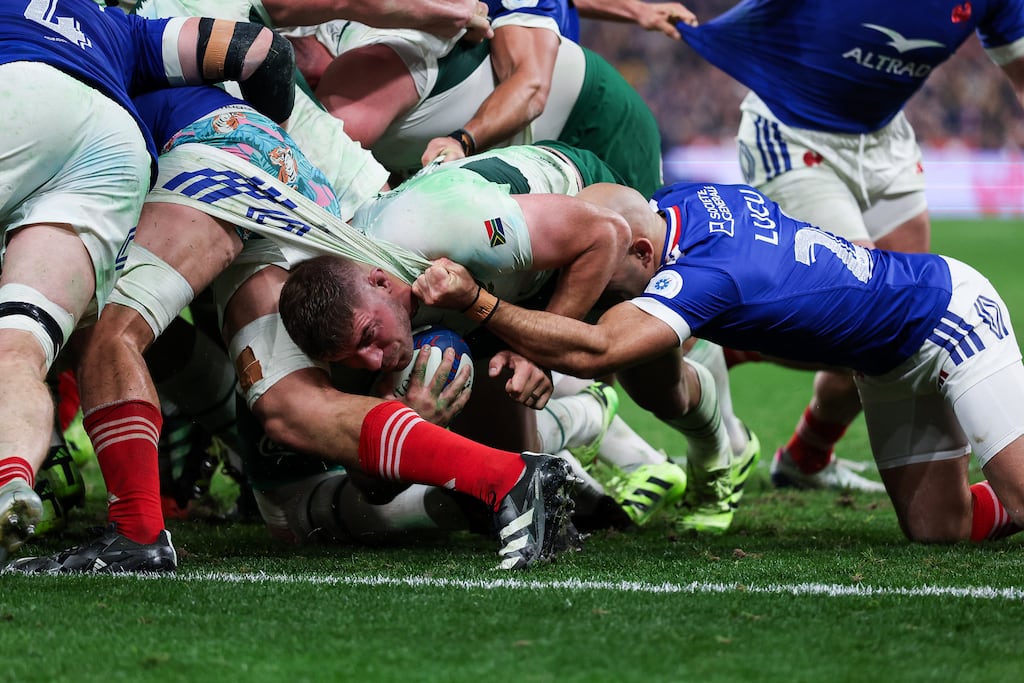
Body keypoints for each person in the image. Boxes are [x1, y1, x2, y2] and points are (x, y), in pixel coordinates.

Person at [414, 180, 1024, 544]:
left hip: (945, 319)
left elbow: (597, 349)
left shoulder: (708, 274)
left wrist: (478, 301)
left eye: (600, 269)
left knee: (1022, 499)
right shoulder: (689, 203)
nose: (598, 284)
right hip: (883, 357)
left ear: (645, 251)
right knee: (939, 530)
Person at [674, 0, 1024, 492]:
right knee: (872, 323)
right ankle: (727, 341)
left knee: (909, 327)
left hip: (886, 141)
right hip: (793, 131)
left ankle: (806, 457)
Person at [0, 0, 297, 564]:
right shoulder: (120, 26)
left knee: (113, 335)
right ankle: (11, 476)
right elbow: (262, 50)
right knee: (20, 345)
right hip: (115, 145)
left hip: (24, 97)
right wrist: (274, 140)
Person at [311, 15, 664, 195]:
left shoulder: (372, 71)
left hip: (590, 118)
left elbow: (531, 88)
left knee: (639, 267)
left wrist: (462, 140)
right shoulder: (317, 31)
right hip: (506, 143)